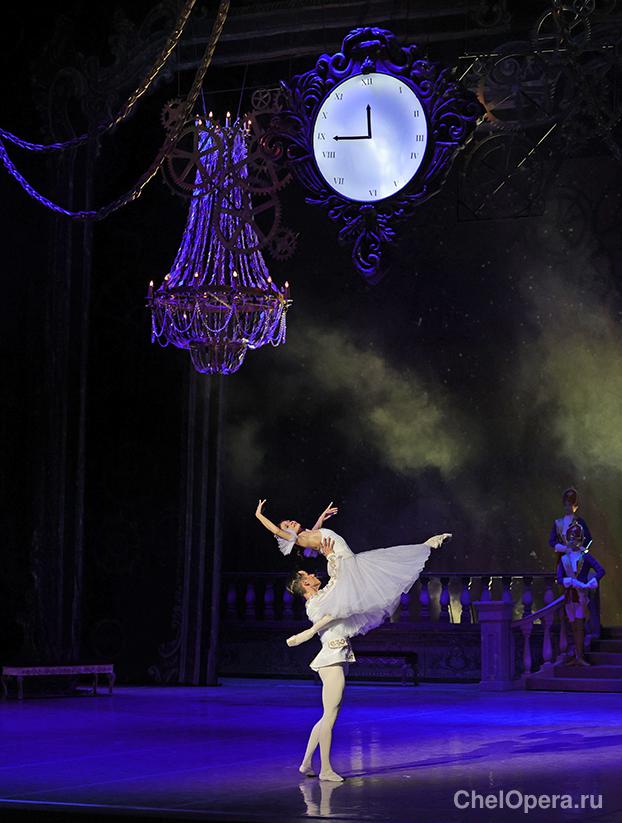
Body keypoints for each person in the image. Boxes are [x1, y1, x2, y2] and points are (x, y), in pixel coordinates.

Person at [255, 500, 451, 780]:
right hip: (331, 657)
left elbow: (316, 540)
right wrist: (260, 515)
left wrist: (320, 520)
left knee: (328, 715)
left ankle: (306, 764)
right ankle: (325, 769)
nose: (290, 522)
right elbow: (334, 610)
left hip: (339, 643)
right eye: (287, 525)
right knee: (330, 716)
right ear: (305, 583)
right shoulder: (316, 601)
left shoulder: (322, 587)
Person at [556, 521, 605, 666]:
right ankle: (576, 656)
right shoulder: (564, 559)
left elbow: (601, 571)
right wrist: (569, 581)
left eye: (576, 538)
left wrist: (591, 582)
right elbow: (559, 578)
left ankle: (580, 656)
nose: (573, 541)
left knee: (579, 624)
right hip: (569, 596)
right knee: (572, 626)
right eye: (571, 538)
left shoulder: (586, 557)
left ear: (581, 540)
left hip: (581, 595)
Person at [549, 487, 592, 555]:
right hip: (562, 555)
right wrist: (563, 548)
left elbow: (589, 538)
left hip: (578, 555)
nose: (568, 507)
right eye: (566, 505)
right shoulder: (558, 523)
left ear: (576, 507)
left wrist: (580, 548)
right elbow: (551, 541)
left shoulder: (580, 522)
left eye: (570, 505)